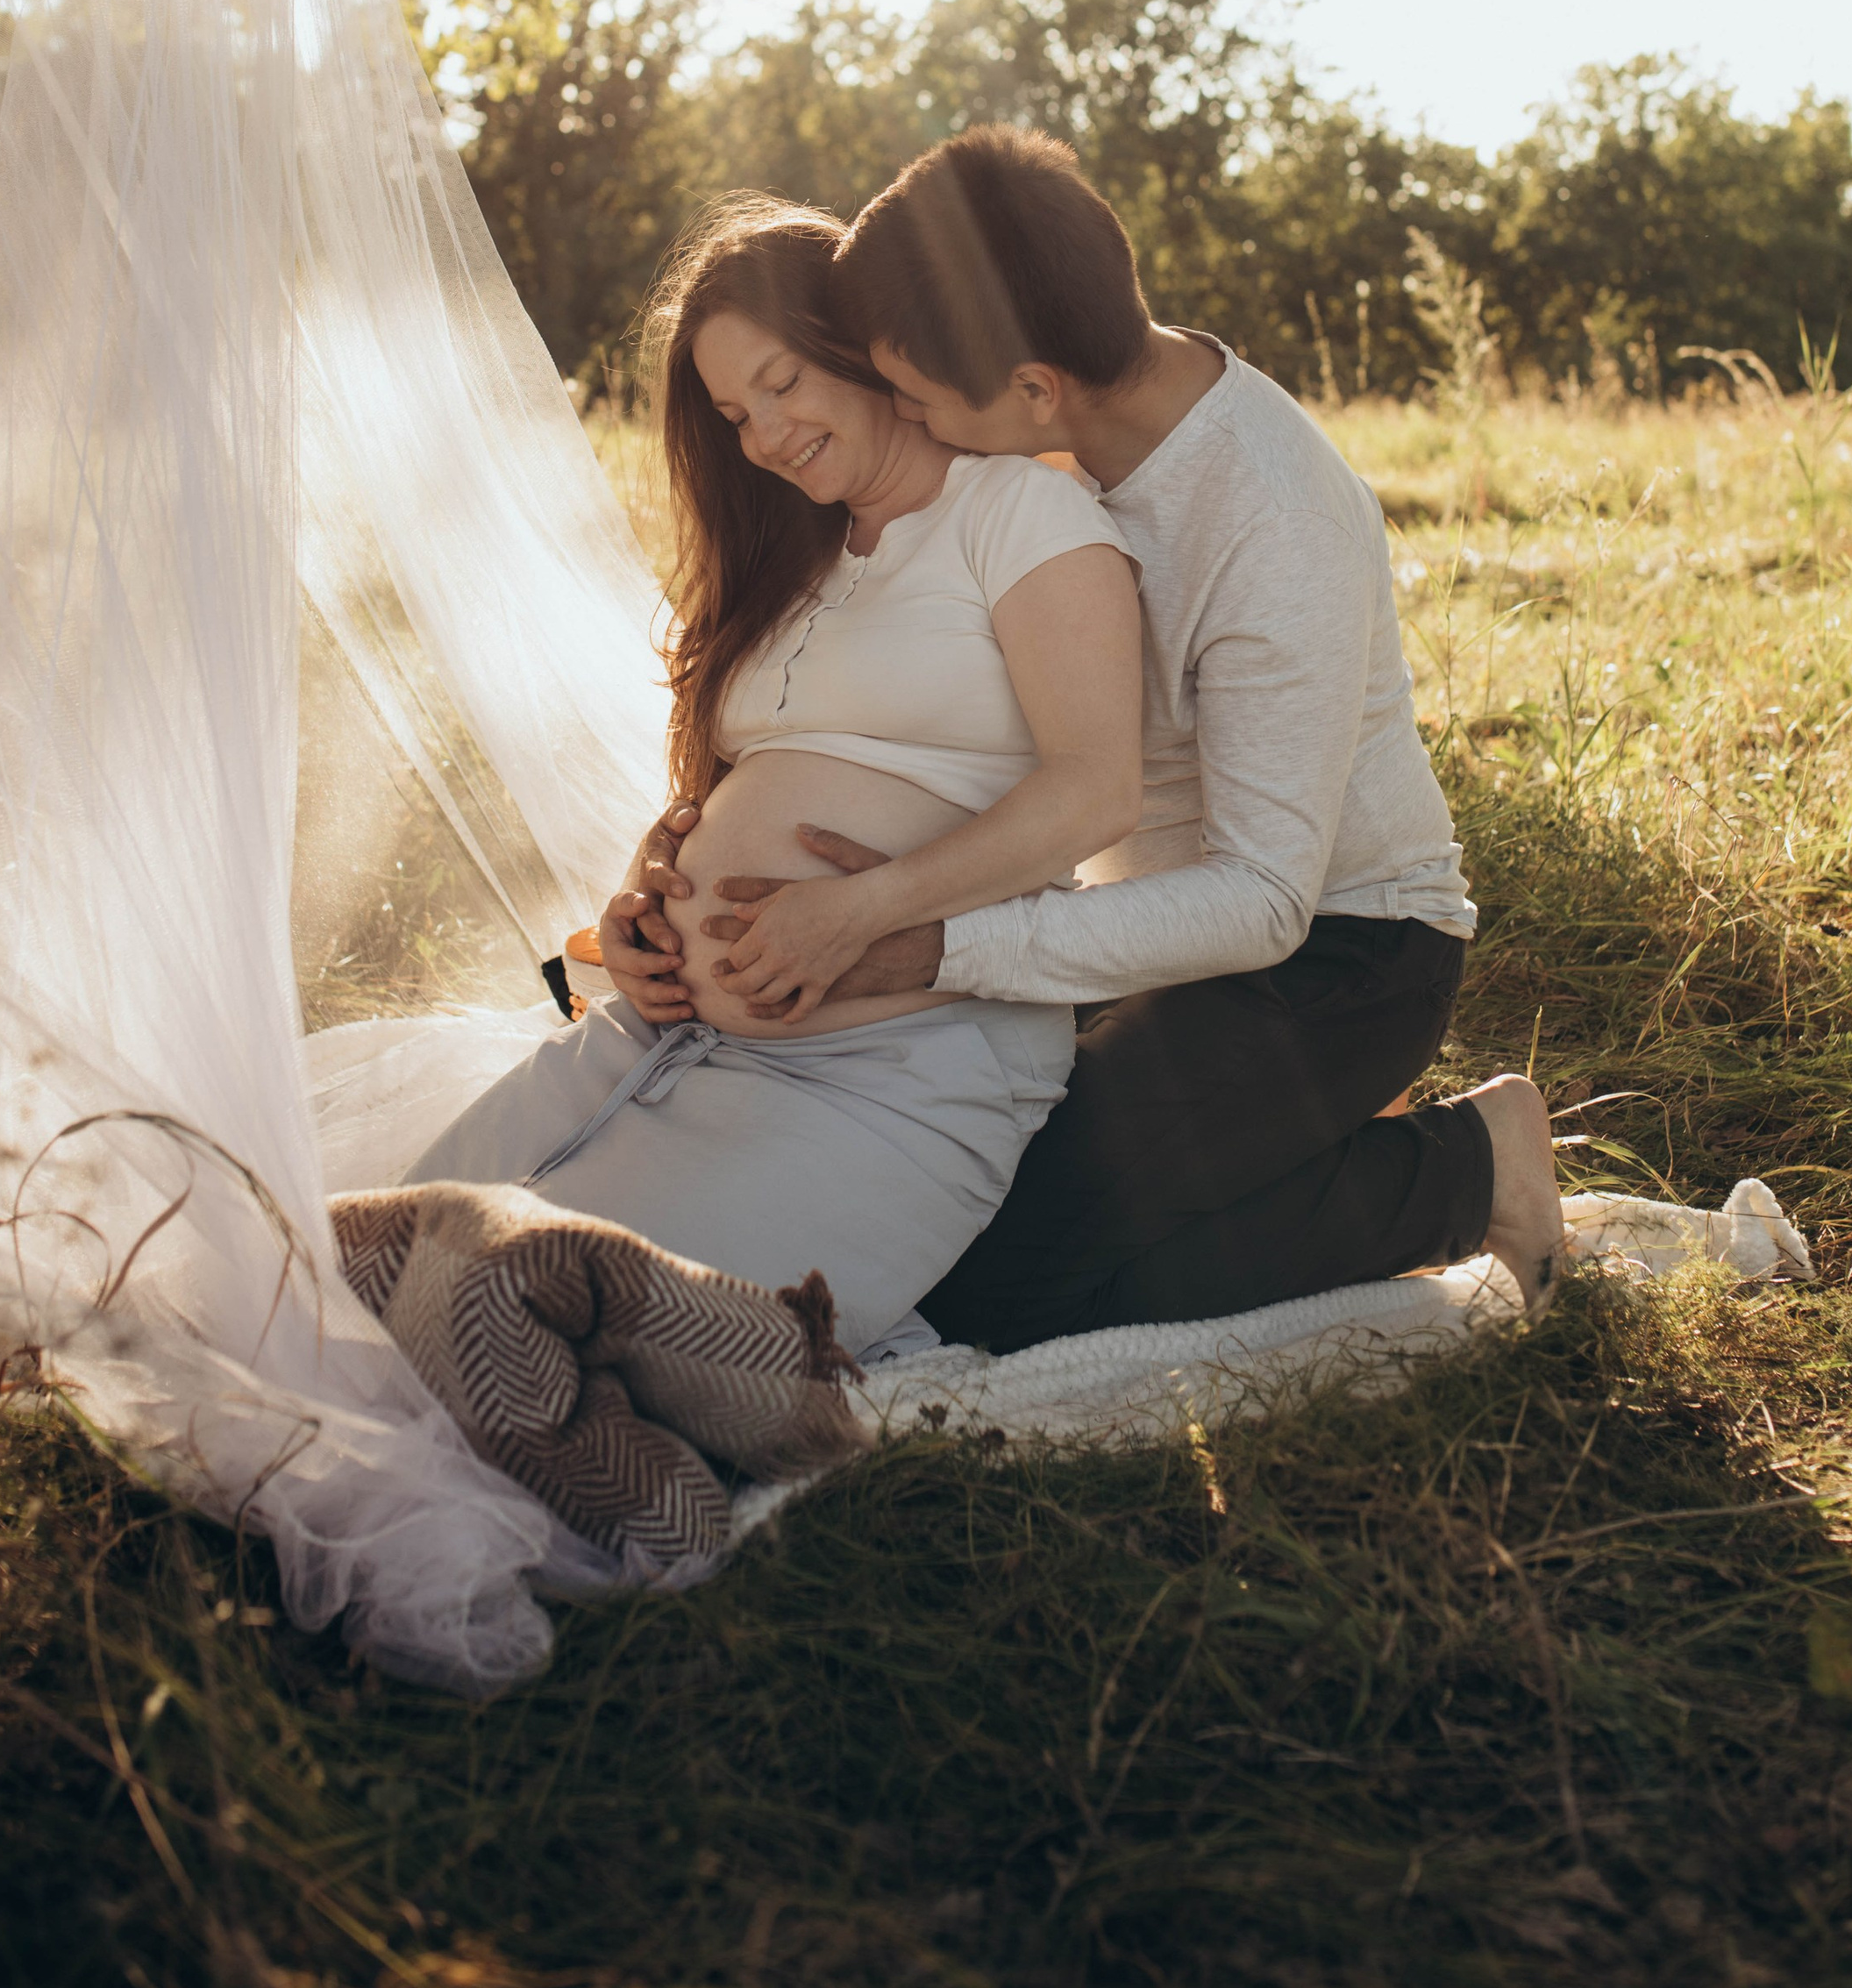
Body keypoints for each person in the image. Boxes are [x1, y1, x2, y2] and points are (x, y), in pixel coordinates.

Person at [606, 130, 1565, 1352]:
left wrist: (932, 946)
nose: (897, 416)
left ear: (1035, 390)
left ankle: (1466, 1169)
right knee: (951, 1215)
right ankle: (1275, 1152)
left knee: (996, 1283)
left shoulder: (1271, 523)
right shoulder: (1047, 424)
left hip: (1336, 954)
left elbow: (1265, 901)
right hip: (1124, 946)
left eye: (914, 395)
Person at [404, 194, 1144, 1356]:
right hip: (665, 1037)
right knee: (384, 1268)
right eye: (737, 412)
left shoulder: (1017, 513)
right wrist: (648, 904)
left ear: (860, 345)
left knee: (557, 1327)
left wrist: (861, 909)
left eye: (783, 383)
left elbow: (1099, 789)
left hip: (899, 1066)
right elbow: (732, 787)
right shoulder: (793, 558)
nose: (763, 435)